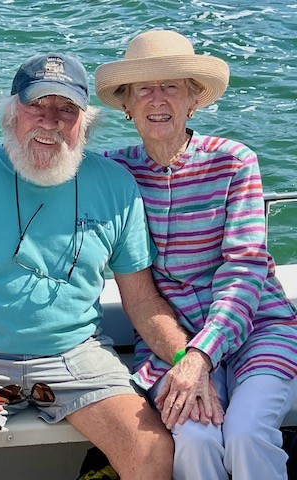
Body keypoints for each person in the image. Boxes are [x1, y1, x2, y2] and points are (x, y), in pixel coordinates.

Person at [0, 52, 198, 480]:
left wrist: (186, 358)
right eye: (37, 105)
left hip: (78, 355)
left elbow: (141, 301)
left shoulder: (117, 185)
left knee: (153, 452)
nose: (50, 122)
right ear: (11, 112)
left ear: (85, 122)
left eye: (66, 109)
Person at [95, 29, 297, 479]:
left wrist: (202, 355)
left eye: (171, 85)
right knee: (196, 438)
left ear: (193, 99)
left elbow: (244, 270)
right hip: (170, 340)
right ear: (126, 105)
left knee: (246, 432)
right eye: (143, 88)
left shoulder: (234, 161)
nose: (157, 98)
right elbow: (42, 172)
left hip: (258, 327)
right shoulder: (112, 171)